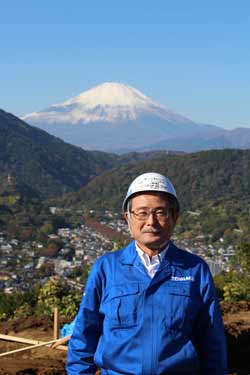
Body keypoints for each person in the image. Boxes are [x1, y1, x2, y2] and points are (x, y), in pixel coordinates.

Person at [66, 172, 227, 375]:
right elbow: (84, 336)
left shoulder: (195, 270)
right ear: (128, 218)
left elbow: (212, 343)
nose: (151, 221)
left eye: (160, 212)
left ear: (174, 216)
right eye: (141, 213)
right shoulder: (106, 268)